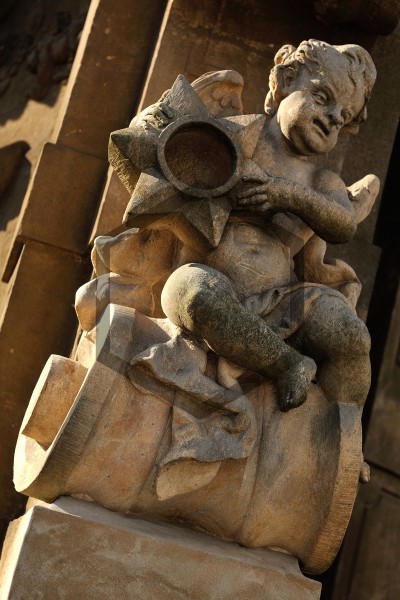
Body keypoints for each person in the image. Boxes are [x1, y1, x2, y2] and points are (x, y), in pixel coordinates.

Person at [135, 40, 378, 412]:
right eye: (322, 97)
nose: (332, 117)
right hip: (210, 278)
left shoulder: (320, 182)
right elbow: (155, 144)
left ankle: (339, 434)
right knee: (190, 294)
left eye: (342, 117)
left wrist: (289, 196)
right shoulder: (233, 135)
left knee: (350, 335)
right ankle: (287, 364)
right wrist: (155, 127)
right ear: (286, 80)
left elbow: (344, 225)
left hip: (283, 301)